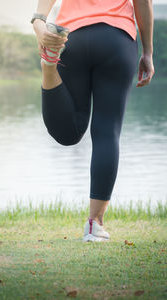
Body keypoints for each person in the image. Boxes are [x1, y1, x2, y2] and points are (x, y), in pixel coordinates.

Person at [32, 0, 155, 242]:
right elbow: (144, 3)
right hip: (117, 38)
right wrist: (148, 52)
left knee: (68, 134)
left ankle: (49, 67)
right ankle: (94, 224)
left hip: (73, 38)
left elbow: (42, 9)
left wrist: (39, 19)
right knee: (107, 131)